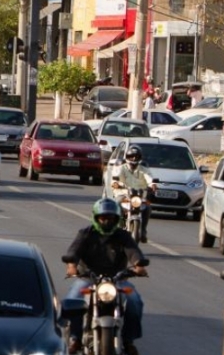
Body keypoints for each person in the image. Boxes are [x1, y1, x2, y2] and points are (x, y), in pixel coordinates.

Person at [63, 199, 148, 355]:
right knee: (72, 301)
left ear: (117, 219)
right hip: (88, 278)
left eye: (110, 218)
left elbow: (134, 252)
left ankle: (129, 340)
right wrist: (72, 266)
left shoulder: (123, 236)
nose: (106, 221)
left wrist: (139, 266)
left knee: (135, 302)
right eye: (103, 217)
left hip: (117, 280)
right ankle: (75, 338)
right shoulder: (86, 233)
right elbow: (73, 251)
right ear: (96, 218)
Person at [107, 146, 157, 243]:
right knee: (117, 204)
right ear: (127, 157)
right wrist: (116, 184)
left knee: (147, 207)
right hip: (123, 195)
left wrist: (153, 185)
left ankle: (143, 231)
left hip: (139, 196)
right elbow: (115, 179)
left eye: (136, 156)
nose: (134, 158)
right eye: (131, 156)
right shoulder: (120, 168)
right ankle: (120, 226)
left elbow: (149, 178)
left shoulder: (144, 169)